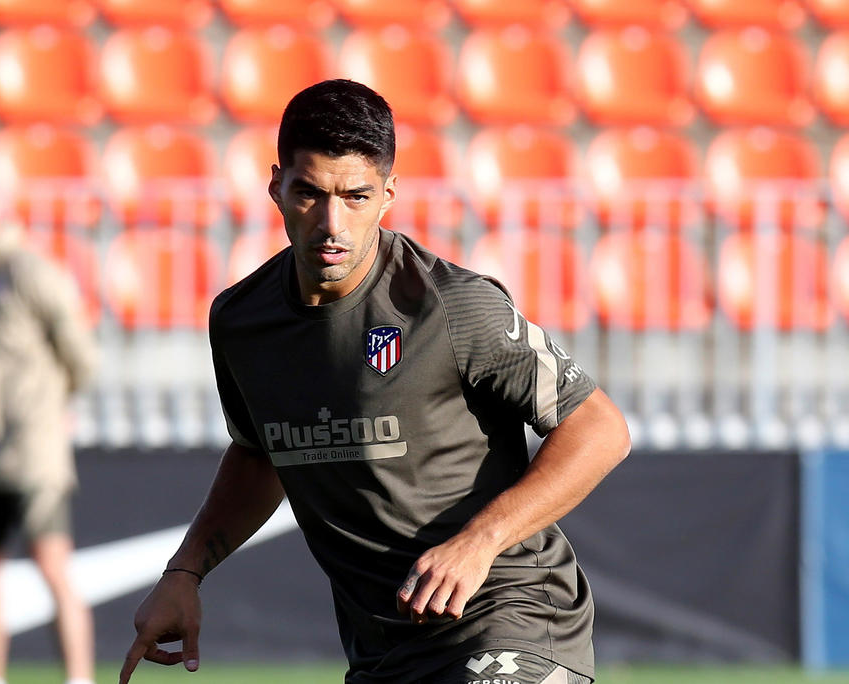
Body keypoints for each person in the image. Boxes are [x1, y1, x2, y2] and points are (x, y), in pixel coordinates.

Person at [120, 79, 631, 684]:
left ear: (388, 195)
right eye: (309, 193)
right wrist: (184, 573)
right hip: (382, 649)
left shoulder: (452, 306)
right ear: (277, 187)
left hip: (508, 619)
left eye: (356, 196)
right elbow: (259, 455)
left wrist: (480, 541)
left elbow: (601, 428)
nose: (331, 223)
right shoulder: (241, 320)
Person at [0, 175, 98, 684]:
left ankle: (79, 677)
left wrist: (55, 406)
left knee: (51, 561)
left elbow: (80, 354)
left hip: (32, 449)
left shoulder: (32, 272)